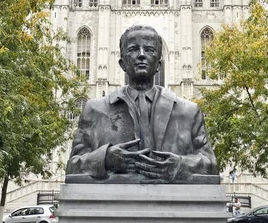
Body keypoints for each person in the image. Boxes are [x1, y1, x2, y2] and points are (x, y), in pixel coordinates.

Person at [66, 25, 218, 183]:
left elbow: (211, 166)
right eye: (133, 49)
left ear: (159, 65)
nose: (141, 55)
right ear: (122, 63)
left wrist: (179, 166)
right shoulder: (95, 109)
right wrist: (105, 158)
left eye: (149, 49)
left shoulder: (188, 112)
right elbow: (73, 166)